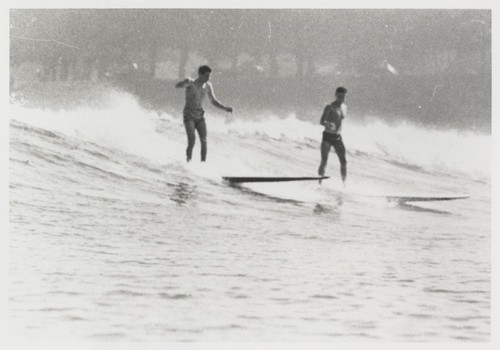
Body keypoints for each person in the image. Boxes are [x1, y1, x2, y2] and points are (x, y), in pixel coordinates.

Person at [175, 65, 233, 162]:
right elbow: (177, 86)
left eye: (209, 76)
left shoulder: (208, 86)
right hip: (189, 115)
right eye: (206, 76)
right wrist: (184, 81)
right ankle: (188, 162)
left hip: (200, 115)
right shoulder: (191, 83)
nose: (208, 78)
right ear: (200, 74)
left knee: (204, 141)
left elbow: (213, 101)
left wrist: (225, 108)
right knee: (192, 140)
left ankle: (203, 164)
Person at [318, 86, 348, 183]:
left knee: (343, 162)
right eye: (339, 96)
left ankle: (344, 184)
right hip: (327, 136)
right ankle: (319, 182)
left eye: (343, 97)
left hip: (337, 137)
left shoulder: (344, 107)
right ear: (336, 95)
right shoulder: (329, 107)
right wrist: (328, 124)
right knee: (324, 161)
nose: (341, 99)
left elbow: (340, 119)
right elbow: (322, 121)